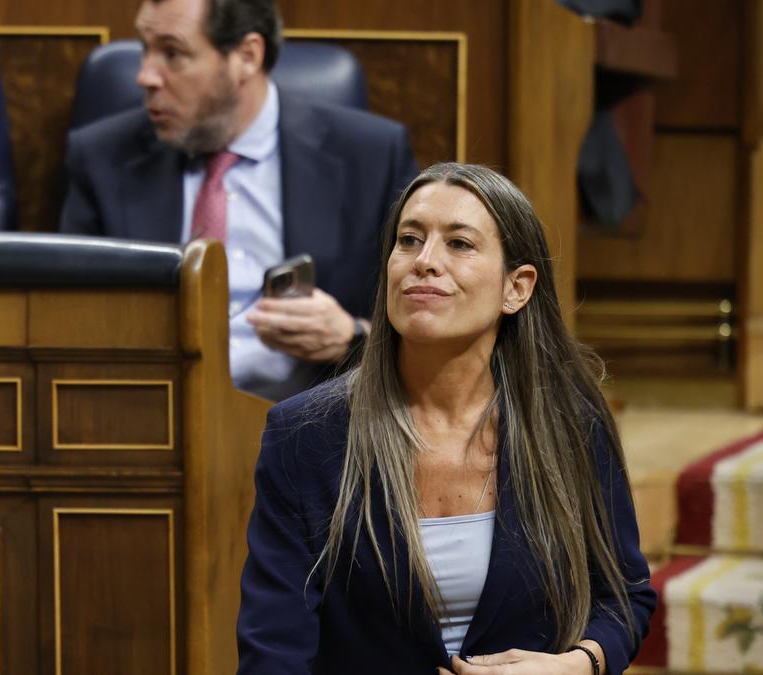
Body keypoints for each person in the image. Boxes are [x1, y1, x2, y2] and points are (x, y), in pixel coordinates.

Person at [236, 163, 656, 674]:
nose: (425, 262)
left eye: (459, 244)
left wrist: (577, 664)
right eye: (409, 240)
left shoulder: (569, 422)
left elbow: (624, 595)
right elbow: (273, 649)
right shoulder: (305, 434)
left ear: (516, 289)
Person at [59, 0, 418, 401]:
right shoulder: (102, 157)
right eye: (145, 48)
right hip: (151, 415)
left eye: (172, 53)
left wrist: (354, 337)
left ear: (246, 56)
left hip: (314, 425)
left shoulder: (368, 156)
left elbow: (425, 315)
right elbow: (69, 316)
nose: (144, 76)